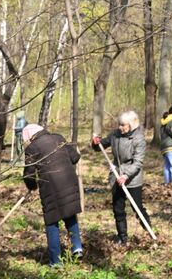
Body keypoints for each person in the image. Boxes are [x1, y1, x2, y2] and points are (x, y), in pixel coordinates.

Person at [21, 123, 82, 267]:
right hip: (69, 181)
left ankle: (56, 261)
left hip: (50, 186)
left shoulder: (32, 147)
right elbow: (75, 157)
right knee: (70, 214)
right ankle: (77, 247)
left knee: (52, 221)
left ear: (29, 137)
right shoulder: (58, 138)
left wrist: (32, 186)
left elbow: (29, 174)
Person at [91, 110, 148, 245]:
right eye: (119, 125)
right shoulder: (115, 135)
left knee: (137, 208)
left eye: (124, 125)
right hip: (116, 176)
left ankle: (148, 232)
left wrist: (126, 175)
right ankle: (122, 237)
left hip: (132, 178)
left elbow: (138, 162)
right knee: (118, 208)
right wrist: (95, 142)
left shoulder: (139, 139)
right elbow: (101, 145)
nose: (120, 128)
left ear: (131, 125)